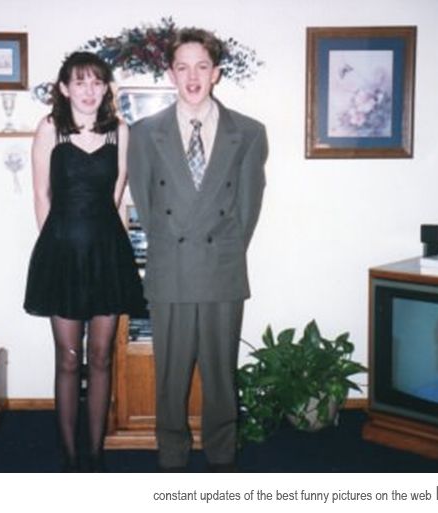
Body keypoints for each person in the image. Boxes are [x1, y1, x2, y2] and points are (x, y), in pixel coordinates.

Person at [127, 27, 268, 471]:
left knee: (221, 372)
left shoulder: (248, 132)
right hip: (170, 266)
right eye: (183, 67)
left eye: (202, 67)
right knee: (170, 375)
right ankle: (171, 454)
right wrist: (171, 246)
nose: (192, 77)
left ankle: (222, 454)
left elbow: (248, 209)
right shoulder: (144, 133)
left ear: (216, 73)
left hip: (221, 266)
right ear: (171, 74)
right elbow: (146, 203)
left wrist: (222, 249)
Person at [23, 52, 145, 472]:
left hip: (106, 255)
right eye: (80, 82)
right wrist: (54, 250)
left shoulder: (120, 131)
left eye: (96, 82)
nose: (89, 91)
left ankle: (95, 453)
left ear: (106, 87)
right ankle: (69, 455)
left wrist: (100, 239)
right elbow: (41, 196)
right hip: (61, 254)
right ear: (64, 88)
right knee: (69, 359)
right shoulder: (49, 129)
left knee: (102, 356)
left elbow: (115, 195)